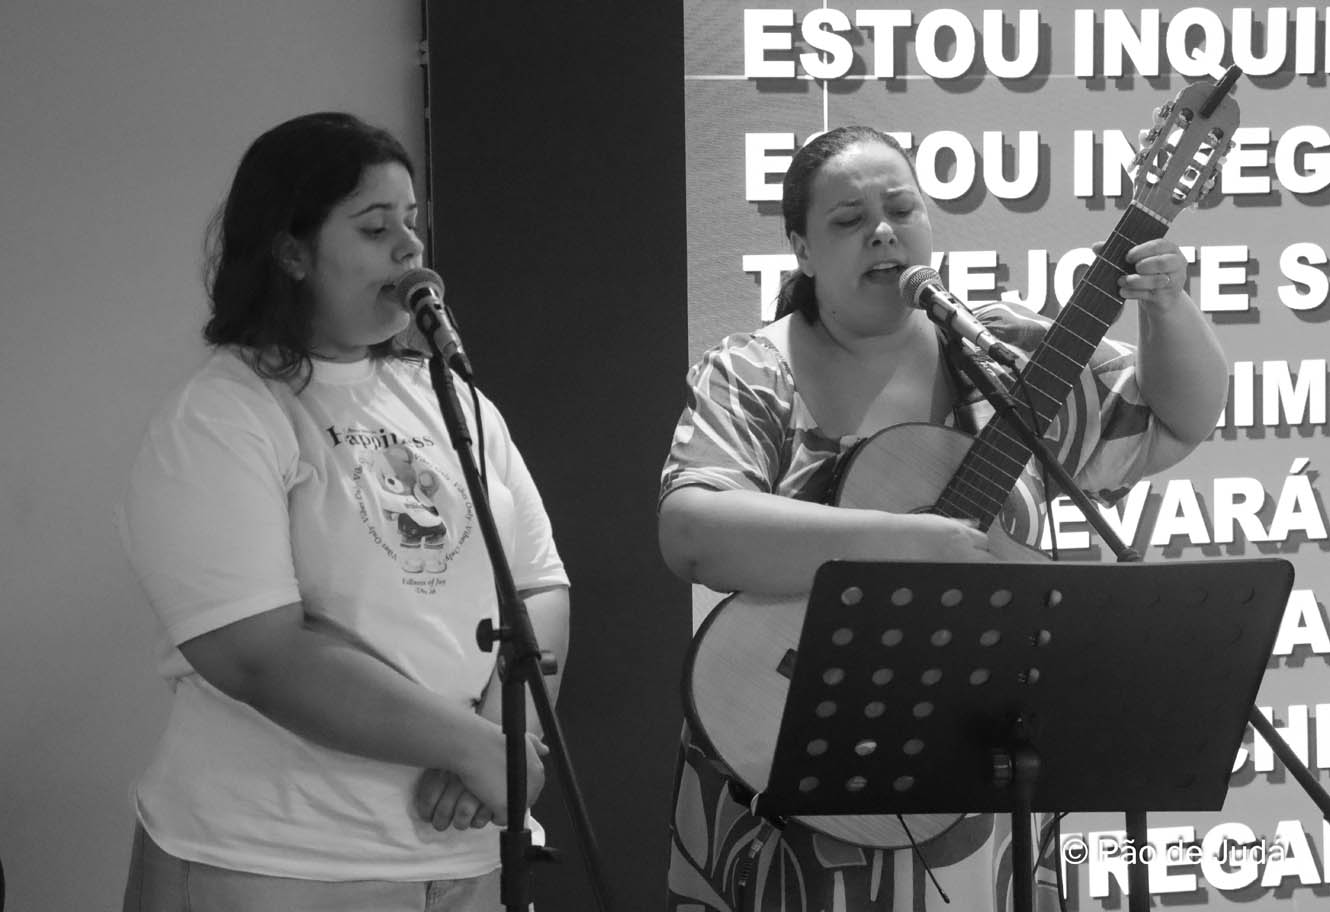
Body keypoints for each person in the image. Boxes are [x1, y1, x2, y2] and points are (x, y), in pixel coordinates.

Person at [657, 125, 1227, 911]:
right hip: (785, 763)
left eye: (901, 209)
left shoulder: (1000, 350)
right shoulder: (753, 371)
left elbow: (1179, 419)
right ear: (802, 250)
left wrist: (1166, 304)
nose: (882, 231)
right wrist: (900, 541)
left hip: (979, 778)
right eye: (849, 219)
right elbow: (691, 530)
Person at [118, 112, 569, 911]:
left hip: (463, 850)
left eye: (412, 222)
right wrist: (475, 747)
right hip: (277, 860)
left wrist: (502, 744)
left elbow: (537, 585)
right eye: (374, 227)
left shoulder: (452, 397)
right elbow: (256, 652)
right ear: (291, 253)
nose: (409, 247)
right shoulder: (223, 414)